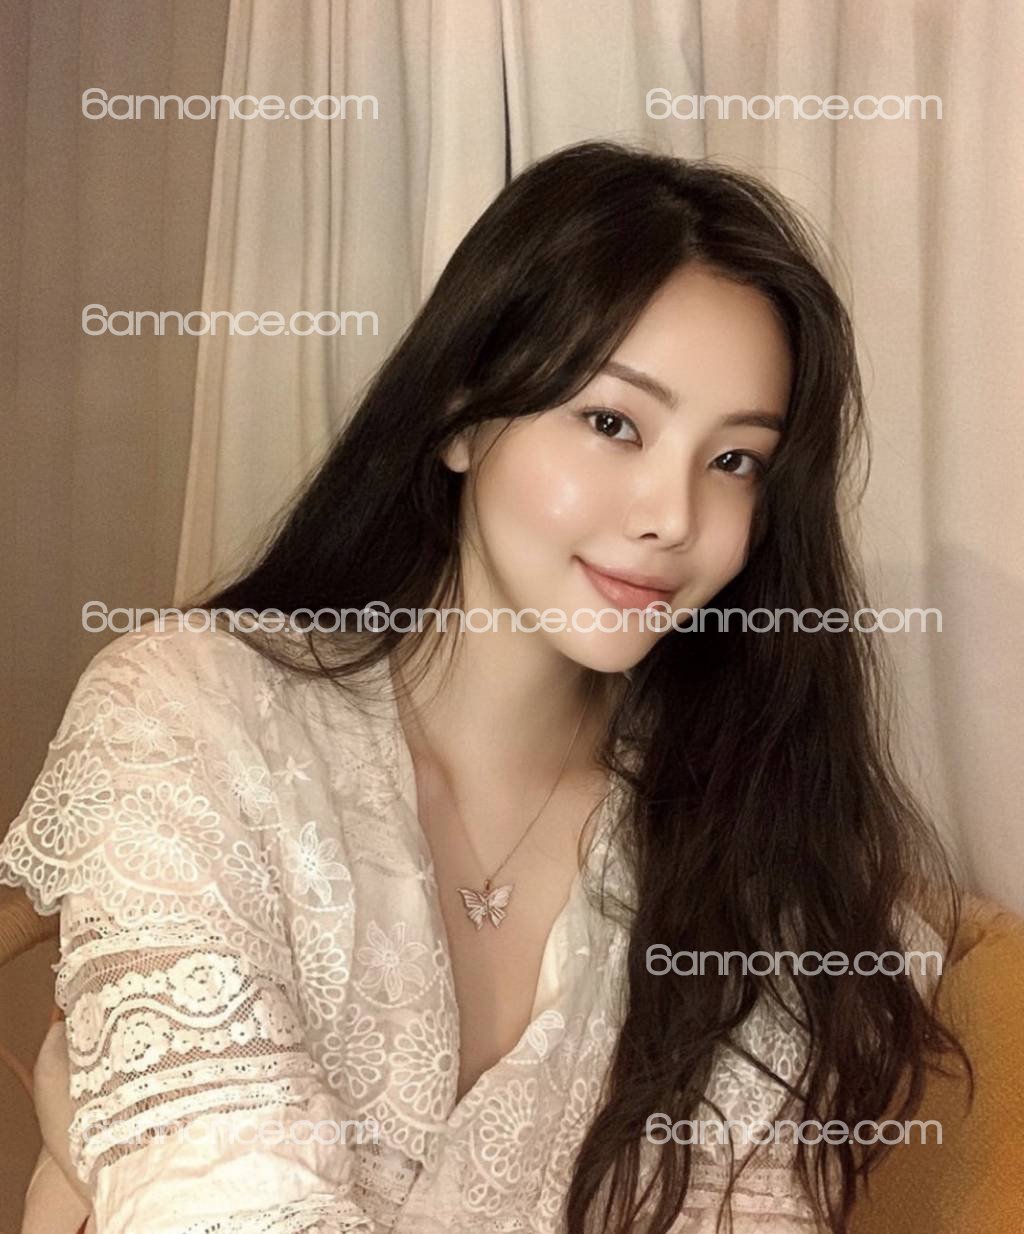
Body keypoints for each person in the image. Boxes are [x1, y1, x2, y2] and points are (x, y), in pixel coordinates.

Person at [0, 140, 969, 1234]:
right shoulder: (191, 715)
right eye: (612, 423)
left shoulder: (759, 843)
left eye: (734, 459)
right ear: (463, 414)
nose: (673, 516)